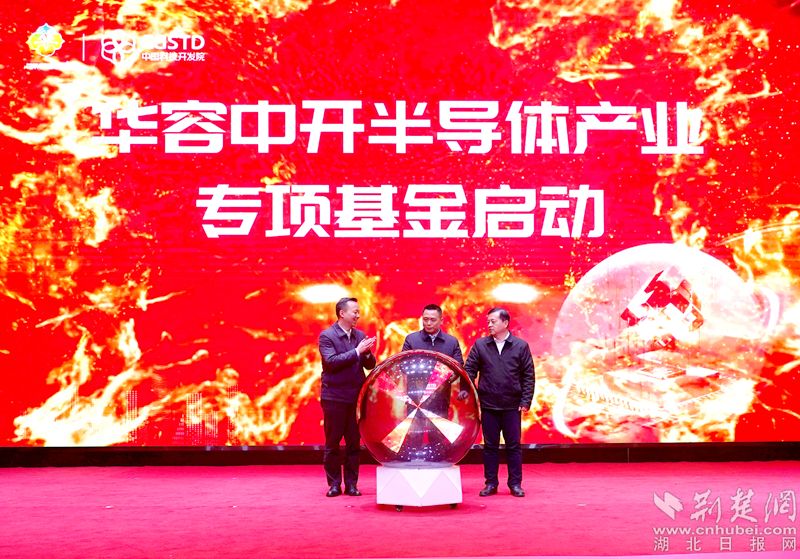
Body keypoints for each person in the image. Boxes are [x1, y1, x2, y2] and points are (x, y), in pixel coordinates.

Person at [464, 307, 535, 498]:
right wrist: (468, 393)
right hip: (488, 405)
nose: (489, 325)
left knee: (513, 446)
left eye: (493, 321)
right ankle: (491, 483)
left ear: (505, 323)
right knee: (490, 447)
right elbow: (469, 370)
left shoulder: (520, 346)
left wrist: (526, 400)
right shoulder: (481, 345)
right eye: (488, 321)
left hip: (512, 405)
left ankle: (515, 484)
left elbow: (528, 375)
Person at [318, 297, 377, 497]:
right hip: (334, 397)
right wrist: (357, 351)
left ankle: (352, 484)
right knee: (332, 443)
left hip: (355, 397)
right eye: (355, 312)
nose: (358, 315)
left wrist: (366, 353)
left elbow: (370, 365)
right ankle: (334, 484)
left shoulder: (359, 335)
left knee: (353, 444)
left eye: (359, 312)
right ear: (342, 313)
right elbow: (332, 362)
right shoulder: (327, 336)